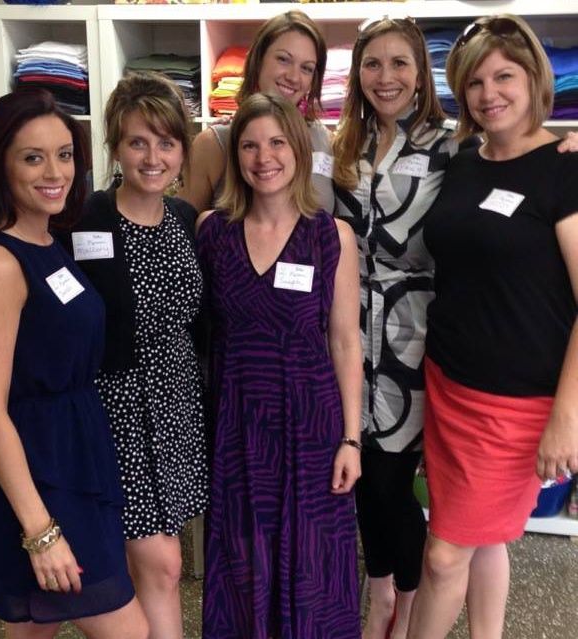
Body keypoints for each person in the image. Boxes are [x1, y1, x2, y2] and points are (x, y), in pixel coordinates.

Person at [0, 89, 148, 638]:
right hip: (34, 473)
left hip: (75, 455)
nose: (55, 172)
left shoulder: (49, 241)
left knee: (36, 626)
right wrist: (40, 530)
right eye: (33, 157)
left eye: (64, 154)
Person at [406, 14, 578, 639]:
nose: (489, 93)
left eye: (504, 76)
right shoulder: (463, 162)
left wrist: (567, 416)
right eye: (474, 82)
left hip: (517, 403)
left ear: (534, 79)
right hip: (449, 384)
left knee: (444, 554)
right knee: (483, 537)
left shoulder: (564, 167)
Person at [196, 92, 362, 639]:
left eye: (276, 143)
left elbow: (345, 342)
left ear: (297, 150)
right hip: (238, 425)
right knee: (242, 559)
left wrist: (352, 440)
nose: (263, 157)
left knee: (313, 562)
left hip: (311, 426)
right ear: (235, 157)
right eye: (249, 145)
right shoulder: (212, 232)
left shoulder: (331, 236)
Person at [332, 18, 467, 639]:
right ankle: (380, 593)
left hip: (412, 329)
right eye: (372, 64)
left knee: (391, 480)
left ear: (421, 73)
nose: (385, 77)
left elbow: (514, 166)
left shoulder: (452, 145)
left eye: (399, 63)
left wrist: (561, 150)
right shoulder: (344, 143)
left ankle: (407, 603)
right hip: (344, 328)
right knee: (359, 475)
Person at [67, 72, 207, 639]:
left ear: (182, 149)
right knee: (163, 562)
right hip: (115, 410)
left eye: (166, 143)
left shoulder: (186, 221)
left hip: (176, 404)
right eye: (137, 142)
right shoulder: (84, 220)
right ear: (116, 147)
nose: (153, 158)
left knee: (152, 563)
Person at [180, 10, 335, 214]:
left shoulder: (324, 140)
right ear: (258, 60)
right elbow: (182, 226)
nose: (293, 77)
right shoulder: (214, 144)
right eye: (283, 59)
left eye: (307, 68)